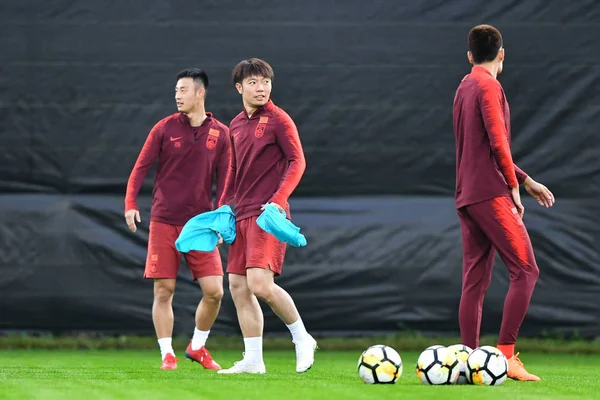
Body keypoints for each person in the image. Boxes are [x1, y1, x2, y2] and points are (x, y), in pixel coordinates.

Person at [453, 24, 556, 381]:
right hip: (491, 194)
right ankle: (506, 355)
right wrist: (512, 187)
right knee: (526, 270)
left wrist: (526, 180)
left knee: (475, 281)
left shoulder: (464, 86)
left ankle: (468, 360)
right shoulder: (489, 85)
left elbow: (480, 147)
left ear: (469, 56)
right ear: (501, 54)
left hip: (467, 195)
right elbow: (498, 142)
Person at [124, 68, 230, 371]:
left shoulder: (220, 133)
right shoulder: (163, 128)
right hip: (164, 220)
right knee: (164, 290)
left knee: (215, 292)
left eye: (183, 90)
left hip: (201, 224)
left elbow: (225, 183)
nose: (177, 96)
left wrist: (221, 220)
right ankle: (167, 354)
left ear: (200, 93)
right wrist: (131, 202)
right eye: (175, 91)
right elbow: (140, 167)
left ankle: (197, 347)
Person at [216, 58, 317, 374]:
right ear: (239, 87)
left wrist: (278, 201)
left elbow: (297, 162)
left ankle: (302, 338)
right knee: (238, 287)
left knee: (259, 284)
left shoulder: (279, 120)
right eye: (253, 82)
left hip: (268, 214)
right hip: (241, 214)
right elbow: (233, 170)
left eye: (265, 82)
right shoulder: (234, 124)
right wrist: (222, 210)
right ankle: (253, 360)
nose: (261, 88)